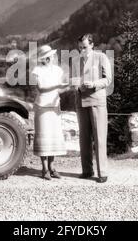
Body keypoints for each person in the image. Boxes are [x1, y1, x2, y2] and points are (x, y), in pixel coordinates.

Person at [73, 34, 112, 183]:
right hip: (81, 101)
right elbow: (74, 78)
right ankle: (87, 170)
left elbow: (107, 79)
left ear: (92, 45)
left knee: (99, 137)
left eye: (84, 47)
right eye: (80, 48)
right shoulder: (77, 60)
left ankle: (103, 173)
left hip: (97, 101)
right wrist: (74, 84)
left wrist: (94, 84)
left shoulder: (101, 57)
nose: (82, 50)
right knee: (84, 139)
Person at [31, 45, 69, 180]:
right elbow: (41, 88)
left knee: (53, 135)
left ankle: (52, 167)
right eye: (50, 56)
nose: (53, 57)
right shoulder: (37, 70)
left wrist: (68, 87)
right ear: (45, 58)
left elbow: (59, 90)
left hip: (54, 105)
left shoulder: (58, 70)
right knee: (44, 135)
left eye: (52, 55)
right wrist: (58, 86)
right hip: (42, 106)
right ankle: (44, 168)